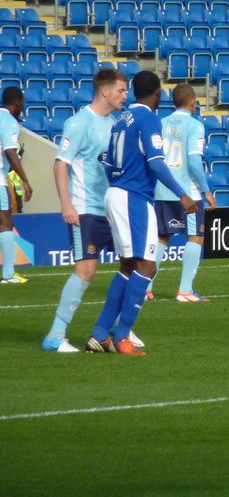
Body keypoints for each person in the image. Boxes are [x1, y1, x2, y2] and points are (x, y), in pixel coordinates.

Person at [85, 71, 196, 356]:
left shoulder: (120, 120)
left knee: (128, 267)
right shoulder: (148, 119)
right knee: (147, 266)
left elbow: (108, 164)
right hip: (134, 197)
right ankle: (122, 336)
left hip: (116, 192)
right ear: (157, 94)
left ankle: (100, 334)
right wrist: (182, 194)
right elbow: (157, 162)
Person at [42, 69, 129, 352]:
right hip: (84, 208)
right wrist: (66, 203)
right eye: (120, 91)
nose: (124, 96)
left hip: (109, 208)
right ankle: (55, 335)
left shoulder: (115, 124)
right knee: (86, 270)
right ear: (105, 91)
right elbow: (60, 163)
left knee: (131, 266)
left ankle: (117, 329)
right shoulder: (78, 123)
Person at [148, 83, 217, 303]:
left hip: (162, 189)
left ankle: (146, 288)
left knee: (161, 237)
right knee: (195, 237)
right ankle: (185, 290)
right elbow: (194, 162)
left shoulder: (160, 123)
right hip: (188, 192)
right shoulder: (195, 126)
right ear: (192, 103)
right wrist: (206, 191)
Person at [0, 87, 32, 284]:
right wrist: (25, 180)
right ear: (18, 101)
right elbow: (11, 152)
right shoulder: (9, 122)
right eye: (22, 102)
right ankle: (9, 274)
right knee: (5, 222)